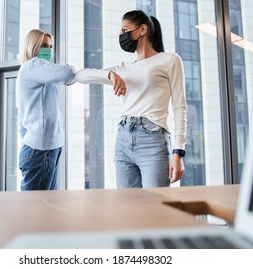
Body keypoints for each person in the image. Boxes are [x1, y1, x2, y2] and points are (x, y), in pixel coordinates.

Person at [75, 10, 187, 188]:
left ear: (142, 29)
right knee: (128, 207)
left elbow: (180, 107)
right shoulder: (123, 68)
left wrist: (178, 152)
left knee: (155, 206)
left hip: (153, 139)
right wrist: (111, 74)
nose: (122, 35)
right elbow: (80, 75)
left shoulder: (169, 60)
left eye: (125, 30)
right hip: (123, 139)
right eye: (120, 32)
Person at [17, 29, 76, 191]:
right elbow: (68, 72)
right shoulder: (33, 66)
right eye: (43, 45)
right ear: (32, 46)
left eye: (50, 46)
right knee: (35, 210)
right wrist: (68, 76)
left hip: (47, 148)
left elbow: (22, 119)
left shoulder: (38, 75)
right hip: (40, 150)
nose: (48, 50)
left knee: (45, 207)